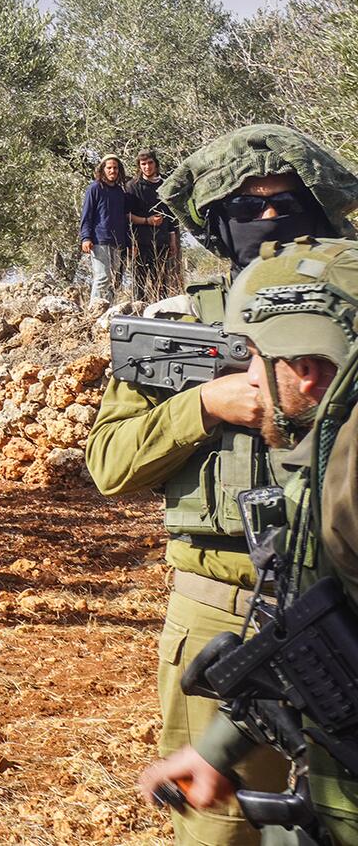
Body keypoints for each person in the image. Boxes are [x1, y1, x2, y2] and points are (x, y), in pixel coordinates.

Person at [89, 124, 358, 846]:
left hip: (344, 600)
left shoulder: (349, 310)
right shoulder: (177, 328)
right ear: (214, 222)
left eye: (286, 202)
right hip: (221, 608)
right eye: (247, 203)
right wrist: (204, 407)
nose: (269, 218)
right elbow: (108, 465)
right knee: (222, 826)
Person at [136, 238, 358, 843]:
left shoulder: (347, 472)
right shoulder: (331, 452)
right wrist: (215, 750)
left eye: (256, 358)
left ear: (307, 371)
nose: (248, 379)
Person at [130, 149, 181, 301]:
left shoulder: (166, 185)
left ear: (156, 164)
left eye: (150, 163)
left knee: (161, 283)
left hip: (162, 242)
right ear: (139, 166)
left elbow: (171, 215)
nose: (147, 167)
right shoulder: (133, 186)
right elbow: (127, 216)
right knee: (139, 284)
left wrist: (172, 240)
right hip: (140, 243)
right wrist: (147, 221)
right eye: (143, 164)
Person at [82, 154, 134, 304]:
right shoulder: (94, 188)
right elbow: (87, 214)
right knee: (102, 277)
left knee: (113, 279)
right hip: (100, 240)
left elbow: (124, 219)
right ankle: (94, 312)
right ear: (103, 169)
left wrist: (128, 243)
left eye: (115, 168)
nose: (113, 171)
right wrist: (86, 237)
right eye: (109, 168)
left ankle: (108, 311)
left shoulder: (119, 192)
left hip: (117, 241)